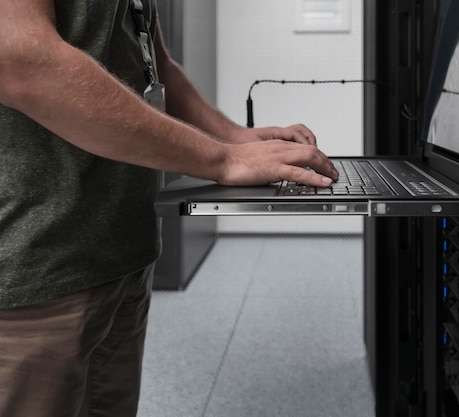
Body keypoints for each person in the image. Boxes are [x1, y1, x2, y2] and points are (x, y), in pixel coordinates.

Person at [0, 1, 339, 416]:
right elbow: (21, 59)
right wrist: (223, 159)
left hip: (120, 250)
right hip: (33, 264)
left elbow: (153, 63)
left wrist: (234, 138)